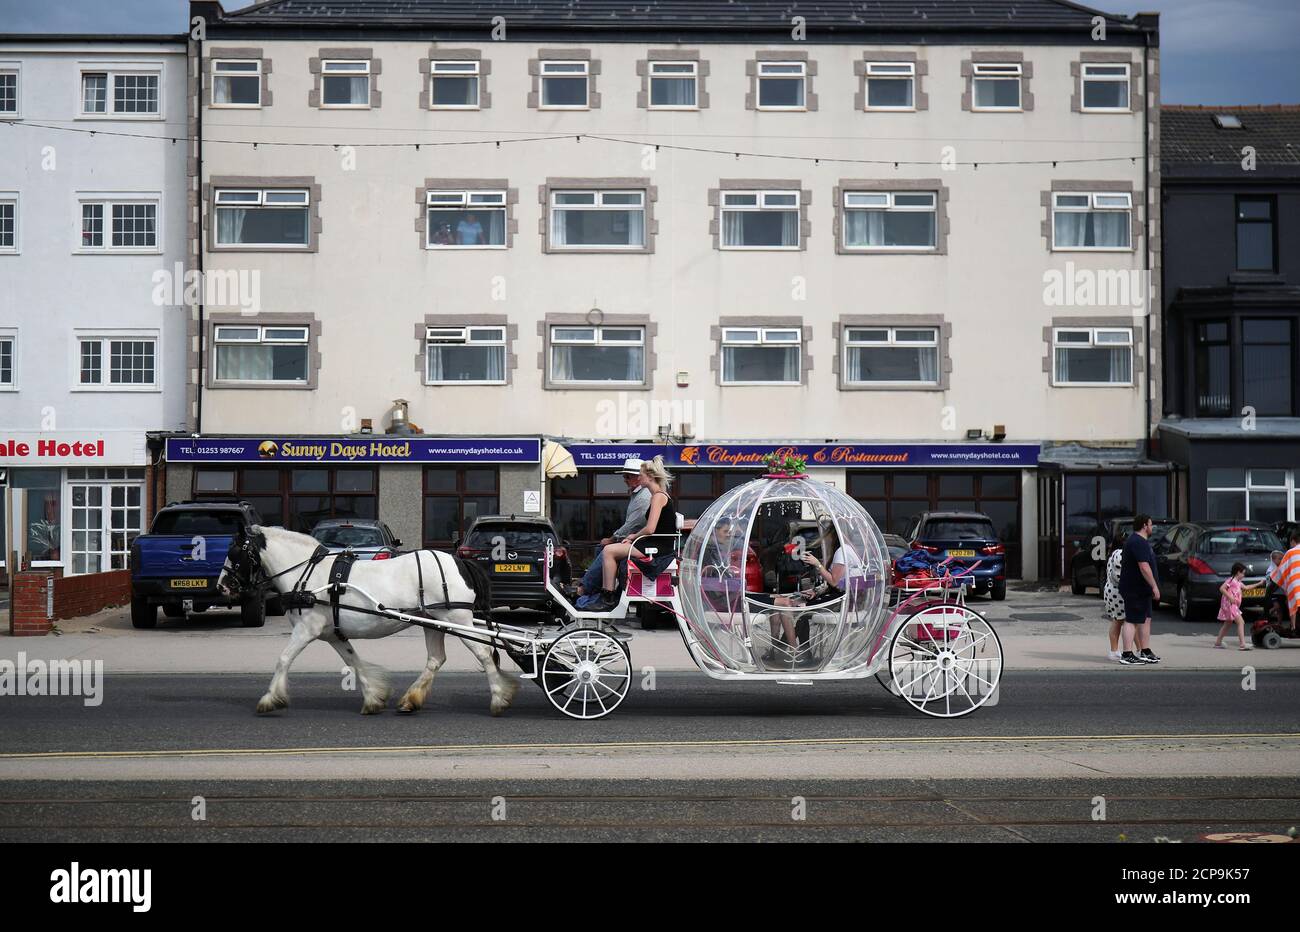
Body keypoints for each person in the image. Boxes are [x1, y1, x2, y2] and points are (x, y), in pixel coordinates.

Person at [595, 456, 675, 611]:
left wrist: (632, 536)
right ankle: (611, 593)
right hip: (654, 544)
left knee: (608, 551)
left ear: (650, 477)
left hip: (658, 547)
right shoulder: (658, 495)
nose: (639, 477)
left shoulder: (658, 497)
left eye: (641, 474)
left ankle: (607, 598)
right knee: (615, 549)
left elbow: (650, 529)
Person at [574, 459, 649, 605]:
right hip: (640, 541)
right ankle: (595, 593)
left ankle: (590, 590)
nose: (624, 480)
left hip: (644, 544)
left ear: (640, 477)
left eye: (627, 476)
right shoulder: (641, 495)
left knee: (607, 550)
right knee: (601, 548)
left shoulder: (645, 497)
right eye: (624, 476)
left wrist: (613, 538)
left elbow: (634, 525)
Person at [1117, 514, 1162, 665]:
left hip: (1142, 589)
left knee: (1145, 619)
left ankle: (1145, 650)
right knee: (1131, 620)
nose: (1152, 527)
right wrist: (1154, 585)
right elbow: (1144, 566)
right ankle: (1127, 654)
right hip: (1134, 588)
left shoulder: (1141, 541)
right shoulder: (1137, 542)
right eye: (1150, 524)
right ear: (1144, 525)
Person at [1214, 562, 1251, 650]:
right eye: (1243, 573)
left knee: (1228, 623)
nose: (1243, 575)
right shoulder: (1231, 581)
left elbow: (1246, 587)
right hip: (1230, 605)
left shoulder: (1238, 582)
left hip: (1232, 605)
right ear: (1238, 572)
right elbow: (1222, 588)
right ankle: (1242, 644)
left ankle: (1218, 643)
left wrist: (1259, 584)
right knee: (1240, 622)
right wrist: (1230, 597)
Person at [1102, 534, 1127, 662]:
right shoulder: (1120, 554)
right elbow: (1119, 575)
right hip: (1118, 592)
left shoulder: (1113, 554)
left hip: (1111, 591)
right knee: (1125, 622)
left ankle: (1114, 650)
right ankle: (1115, 651)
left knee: (1117, 621)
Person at [1278, 530, 1300, 633]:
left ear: (1293, 541)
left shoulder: (1290, 552)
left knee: (1292, 603)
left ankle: (1293, 627)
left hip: (1294, 583)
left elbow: (1282, 568)